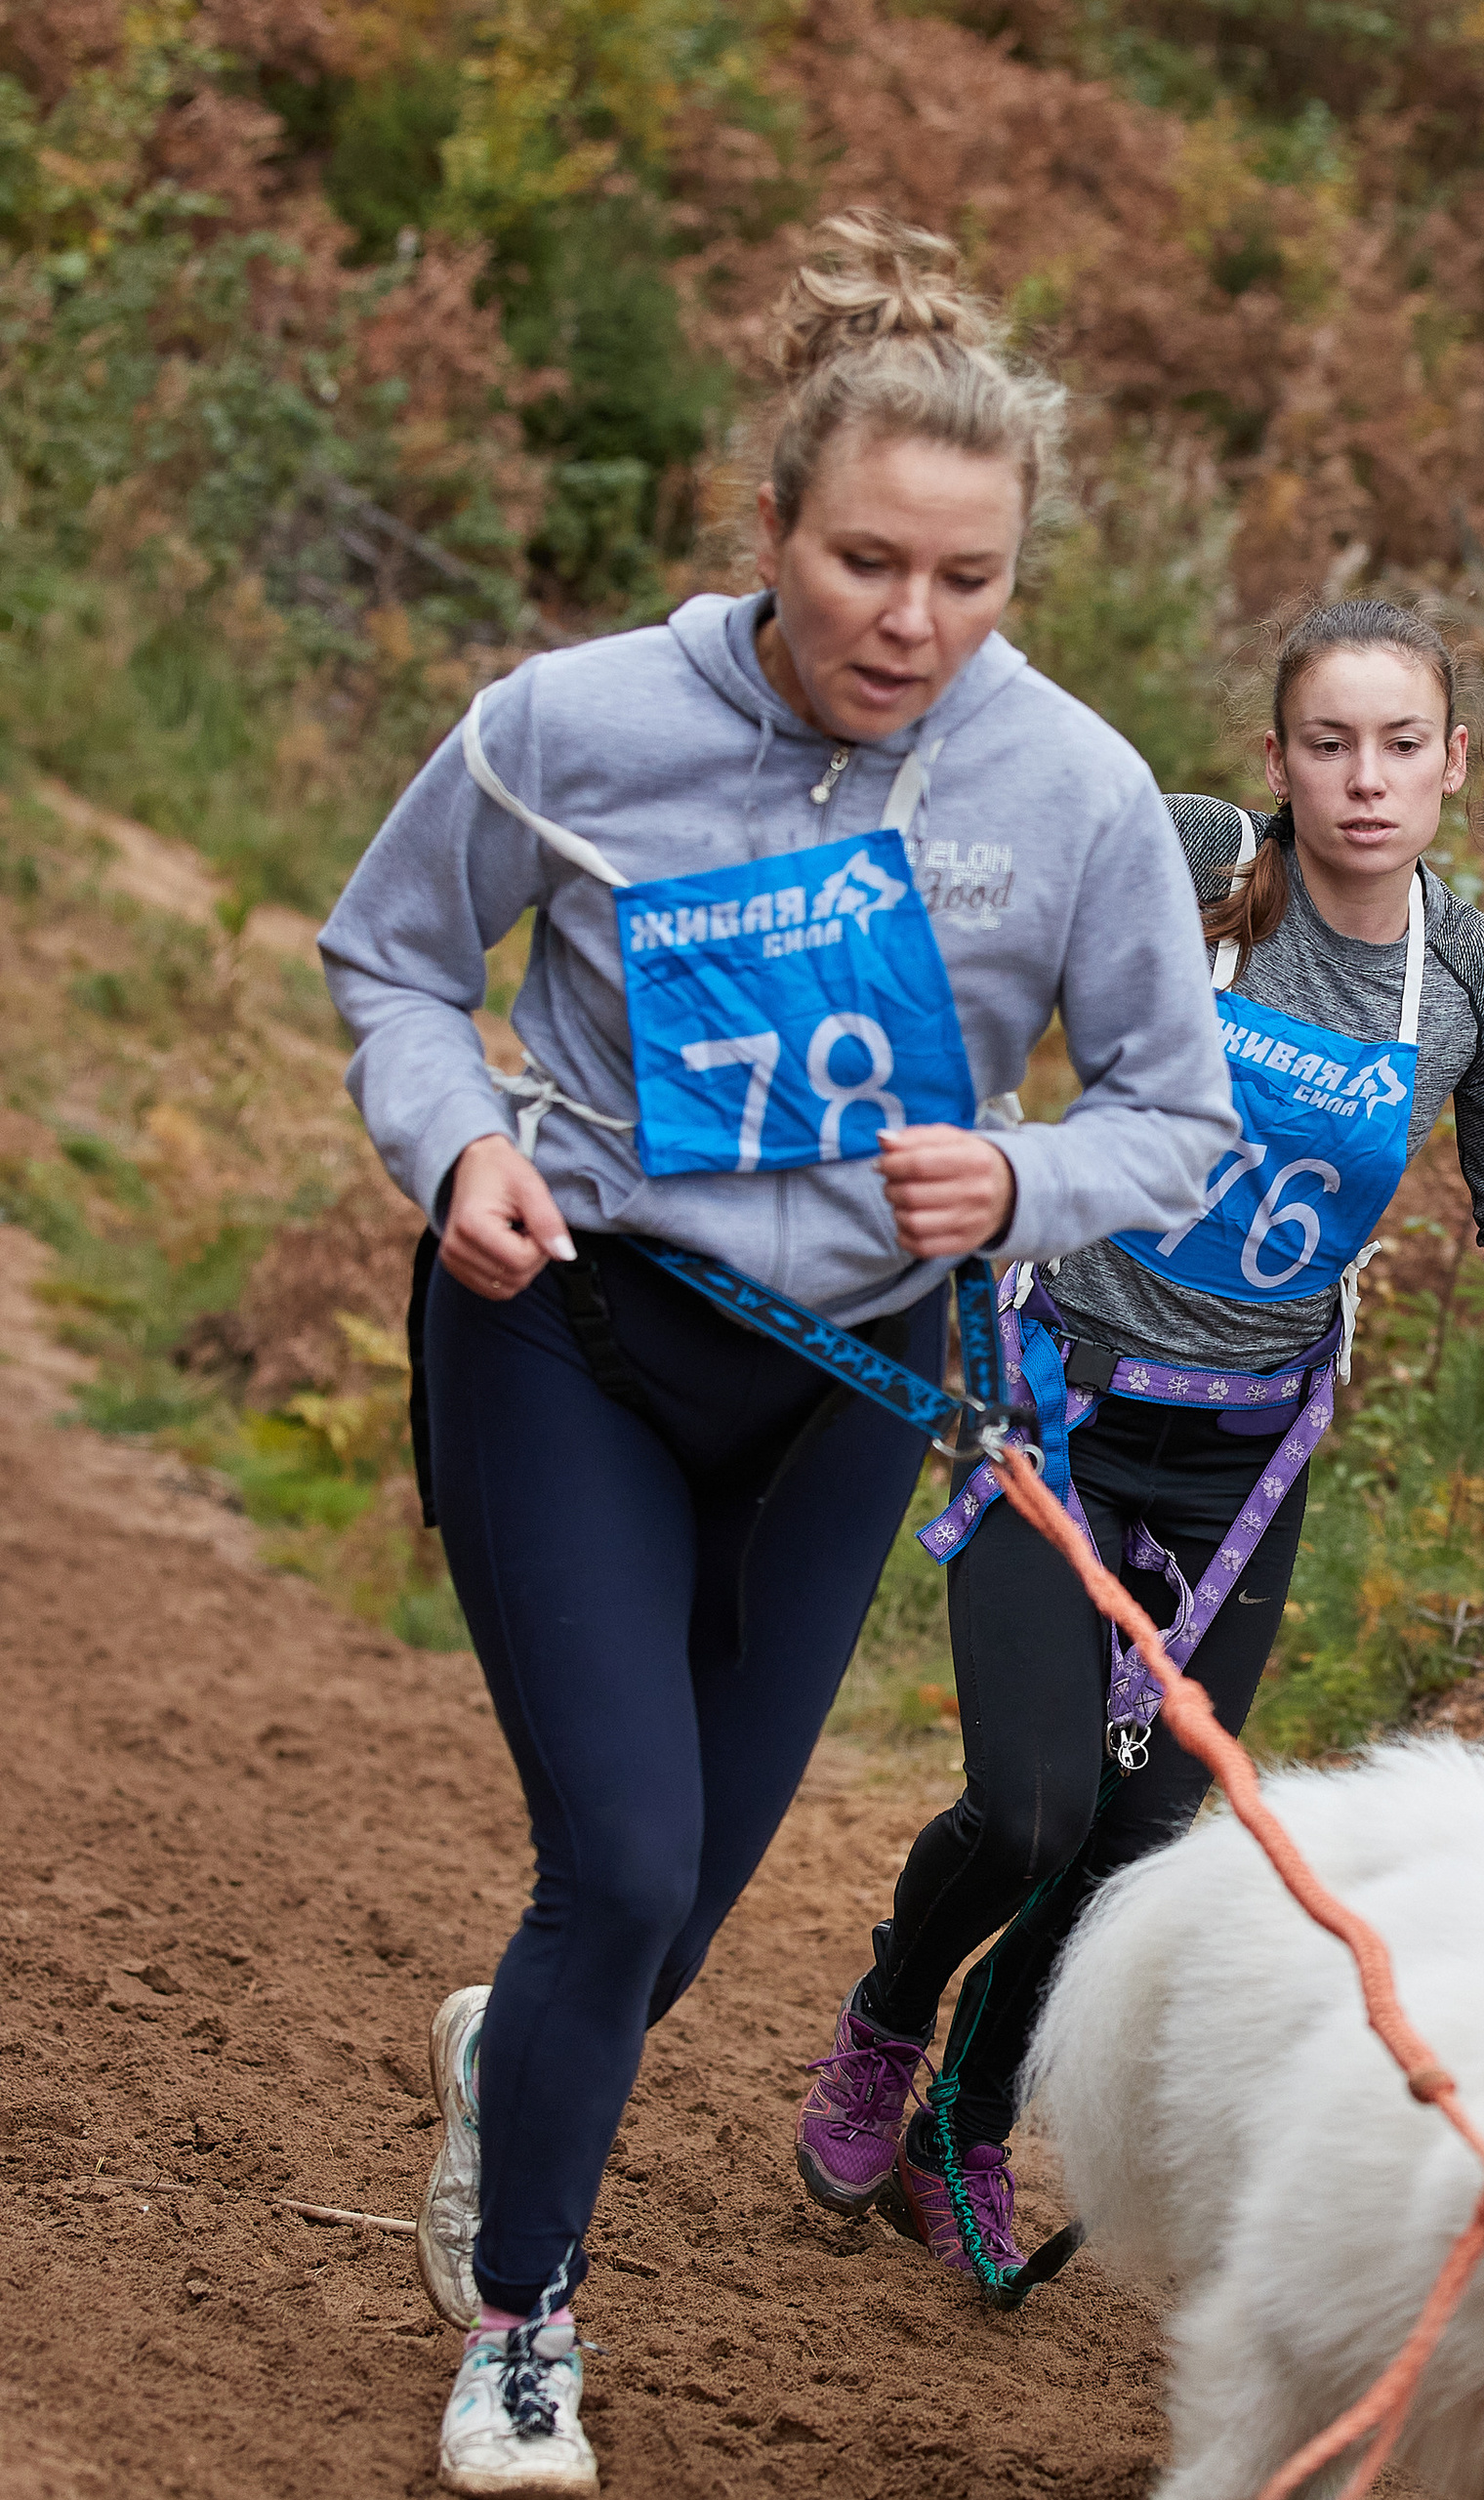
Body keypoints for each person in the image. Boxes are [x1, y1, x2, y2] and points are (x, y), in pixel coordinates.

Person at [317, 208, 1236, 2494]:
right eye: (861, 565)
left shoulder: (1079, 794)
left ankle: (518, 2049)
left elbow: (1176, 1115)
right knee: (619, 1862)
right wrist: (453, 1155)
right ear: (770, 529)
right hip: (573, 1329)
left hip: (848, 1379)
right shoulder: (573, 721)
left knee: (675, 1906)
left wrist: (1015, 1184)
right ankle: (523, 2319)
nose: (908, 626)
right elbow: (390, 959)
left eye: (968, 578)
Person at [794, 598, 1484, 2301]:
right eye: (1329, 742)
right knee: (1030, 1815)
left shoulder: (1475, 975)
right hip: (1065, 1404)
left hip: (1248, 1464)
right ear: (1277, 757)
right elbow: (1012, 885)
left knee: (1128, 1855)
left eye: (1404, 745)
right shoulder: (1197, 864)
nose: (1366, 779)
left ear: (1456, 764)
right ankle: (892, 2013)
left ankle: (969, 2121)